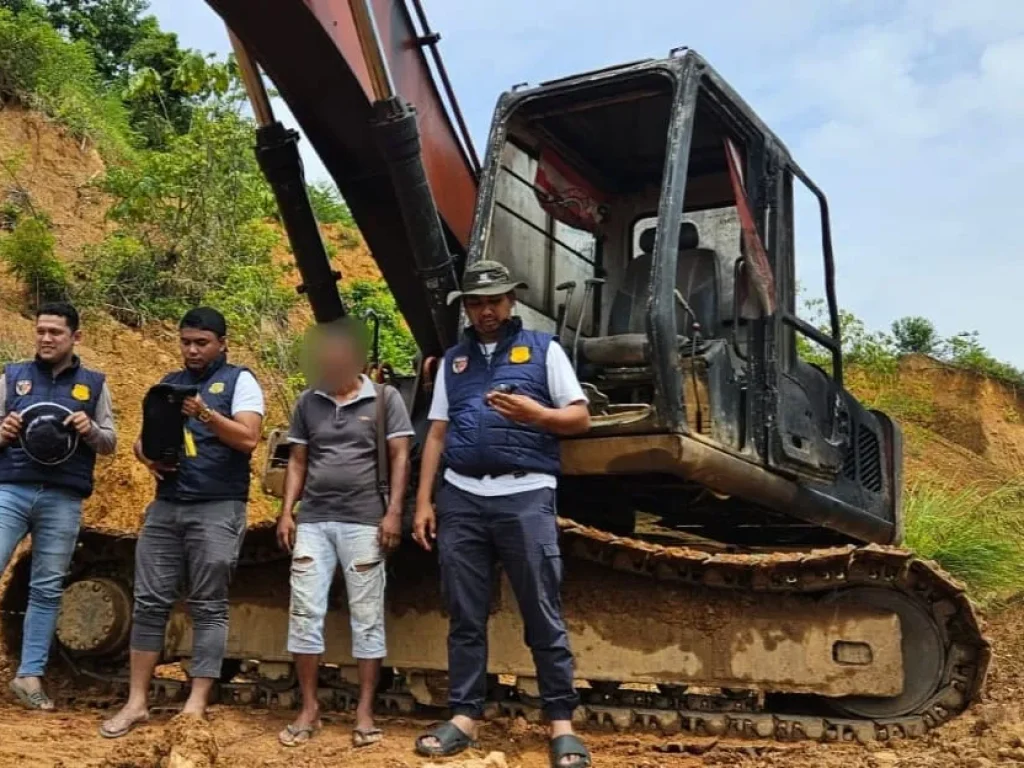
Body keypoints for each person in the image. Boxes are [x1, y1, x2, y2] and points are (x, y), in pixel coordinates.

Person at [412, 261, 592, 767]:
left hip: (525, 494)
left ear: (511, 301)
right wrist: (425, 501)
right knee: (465, 614)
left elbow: (579, 417)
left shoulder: (543, 350)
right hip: (461, 498)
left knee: (542, 610)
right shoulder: (454, 361)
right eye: (475, 302)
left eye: (494, 300)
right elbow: (439, 433)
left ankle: (560, 724)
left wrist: (538, 415)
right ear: (466, 308)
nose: (485, 310)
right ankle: (465, 717)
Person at [100, 307, 264, 738]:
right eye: (186, 342)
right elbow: (141, 440)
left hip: (218, 506)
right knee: (150, 603)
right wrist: (147, 457)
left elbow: (249, 439)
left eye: (202, 343)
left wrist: (205, 414)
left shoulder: (240, 381)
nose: (192, 350)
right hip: (167, 506)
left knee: (208, 606)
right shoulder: (168, 386)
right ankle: (136, 702)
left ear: (222, 344)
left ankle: (196, 701)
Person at [275, 318, 413, 748]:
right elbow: (298, 460)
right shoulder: (307, 402)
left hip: (363, 521)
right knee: (304, 611)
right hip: (314, 520)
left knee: (367, 616)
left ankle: (365, 710)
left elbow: (401, 458)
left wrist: (393, 514)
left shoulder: (385, 399)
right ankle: (309, 708)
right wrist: (286, 512)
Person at [0, 302, 117, 711]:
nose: (46, 339)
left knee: (47, 589)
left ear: (76, 337)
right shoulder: (13, 377)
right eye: (41, 331)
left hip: (64, 497)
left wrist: (91, 430)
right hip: (10, 491)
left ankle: (29, 676)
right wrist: (3, 431)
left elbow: (111, 443)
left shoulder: (94, 385)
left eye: (56, 332)